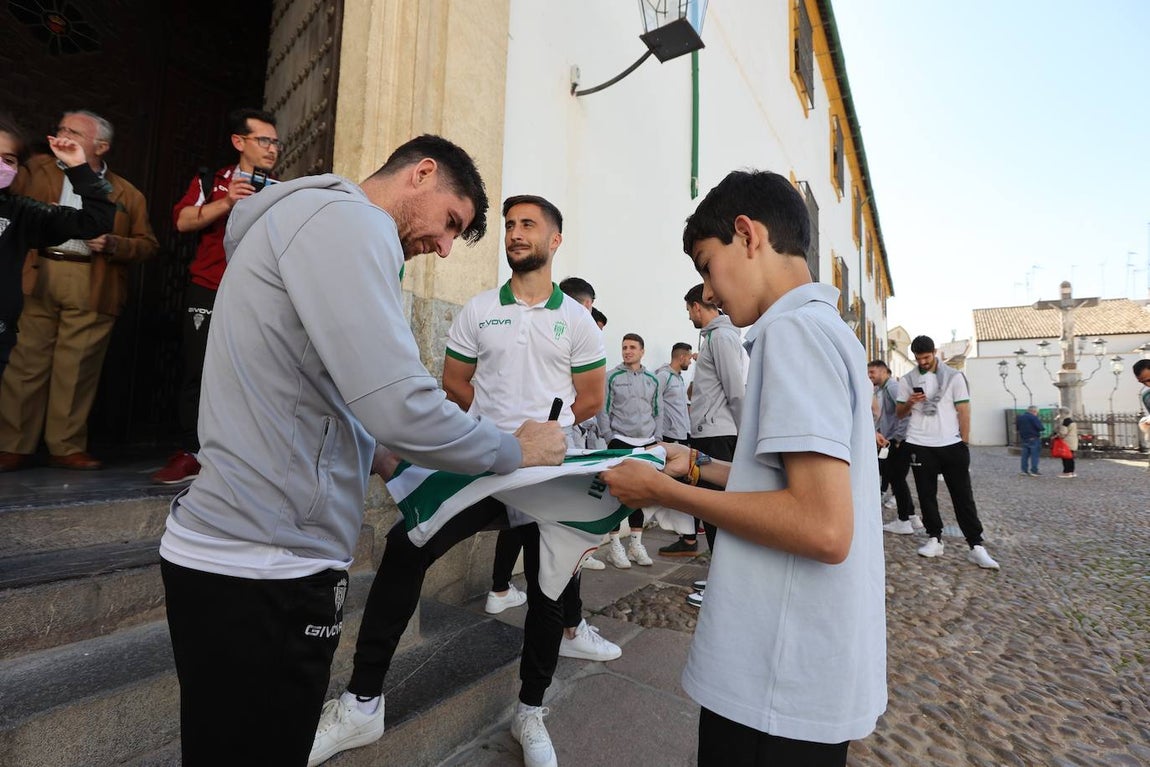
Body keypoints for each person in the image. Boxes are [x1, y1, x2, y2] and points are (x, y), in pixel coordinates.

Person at [158, 134, 568, 767]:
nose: (444, 246)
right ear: (422, 173)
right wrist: (514, 448)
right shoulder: (352, 222)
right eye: (450, 222)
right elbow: (399, 401)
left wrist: (377, 452)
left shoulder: (314, 221)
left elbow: (318, 382)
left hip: (249, 549)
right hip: (264, 564)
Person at [310, 195, 618, 767]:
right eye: (509, 226)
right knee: (407, 546)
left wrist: (553, 430)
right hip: (485, 464)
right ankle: (361, 703)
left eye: (528, 225)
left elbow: (593, 396)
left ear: (554, 241)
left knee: (550, 589)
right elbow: (456, 382)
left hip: (548, 473)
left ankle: (531, 711)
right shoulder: (479, 310)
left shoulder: (575, 319)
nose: (514, 234)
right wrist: (494, 431)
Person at [600, 169, 886, 766]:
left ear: (747, 235)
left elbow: (822, 527)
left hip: (776, 680)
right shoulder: (825, 329)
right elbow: (793, 486)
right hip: (799, 669)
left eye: (707, 265)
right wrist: (698, 468)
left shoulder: (792, 334)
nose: (710, 290)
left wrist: (661, 492)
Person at [0, 109, 158, 471]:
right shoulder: (34, 170)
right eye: (61, 129)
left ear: (101, 146)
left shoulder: (127, 192)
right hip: (36, 272)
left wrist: (116, 243)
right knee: (25, 363)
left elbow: (148, 244)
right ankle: (12, 444)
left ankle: (67, 446)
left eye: (74, 132)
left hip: (93, 279)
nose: (63, 135)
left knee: (78, 368)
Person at [152, 108, 282, 485]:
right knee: (199, 369)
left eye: (275, 142)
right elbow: (181, 221)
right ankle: (191, 452)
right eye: (264, 140)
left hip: (256, 294)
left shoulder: (283, 187)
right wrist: (227, 202)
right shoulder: (213, 180)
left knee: (251, 373)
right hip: (208, 287)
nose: (272, 149)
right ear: (239, 142)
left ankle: (240, 454)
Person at [0, 115, 115, 383]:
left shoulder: (22, 213)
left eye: (8, 160)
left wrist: (78, 168)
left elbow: (95, 222)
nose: (1, 165)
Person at [896, 336, 1000, 570]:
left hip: (951, 444)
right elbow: (899, 413)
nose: (923, 361)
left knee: (963, 496)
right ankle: (935, 538)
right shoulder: (907, 380)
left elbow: (963, 410)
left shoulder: (954, 377)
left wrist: (964, 442)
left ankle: (976, 545)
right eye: (919, 358)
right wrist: (911, 402)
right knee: (926, 494)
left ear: (934, 352)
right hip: (919, 442)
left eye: (926, 357)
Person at [658, 283, 744, 563]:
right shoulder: (713, 339)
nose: (689, 317)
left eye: (688, 310)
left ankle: (723, 581)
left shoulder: (720, 338)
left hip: (717, 436)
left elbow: (735, 389)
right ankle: (719, 578)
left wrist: (744, 432)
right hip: (709, 433)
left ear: (697, 306)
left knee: (717, 511)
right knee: (710, 512)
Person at [596, 332, 661, 568]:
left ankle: (635, 545)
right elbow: (602, 409)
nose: (627, 351)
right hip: (619, 441)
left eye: (633, 347)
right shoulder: (611, 377)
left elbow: (658, 410)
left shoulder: (653, 379)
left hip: (646, 443)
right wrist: (609, 437)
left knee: (640, 495)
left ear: (642, 351)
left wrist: (658, 440)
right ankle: (615, 546)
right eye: (624, 347)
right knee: (615, 494)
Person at [868, 360, 922, 534]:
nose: (870, 376)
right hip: (891, 438)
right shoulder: (881, 389)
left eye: (873, 372)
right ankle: (912, 517)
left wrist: (898, 438)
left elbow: (905, 413)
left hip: (897, 440)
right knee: (896, 478)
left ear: (884, 372)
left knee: (896, 479)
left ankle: (904, 520)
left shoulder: (892, 387)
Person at [1015, 405, 1043, 477]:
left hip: (1024, 438)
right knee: (1034, 455)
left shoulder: (1020, 417)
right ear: (1034, 411)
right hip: (1033, 438)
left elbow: (1017, 428)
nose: (1037, 414)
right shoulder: (1033, 417)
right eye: (1037, 412)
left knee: (1024, 456)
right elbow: (1040, 427)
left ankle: (1024, 471)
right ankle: (1034, 471)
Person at [1054, 407, 1077, 478]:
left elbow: (1063, 433)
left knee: (1066, 458)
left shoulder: (1065, 422)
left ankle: (1067, 472)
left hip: (1067, 442)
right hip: (1073, 441)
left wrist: (1056, 436)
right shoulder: (1071, 421)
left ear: (1062, 413)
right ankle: (1072, 472)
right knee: (1070, 458)